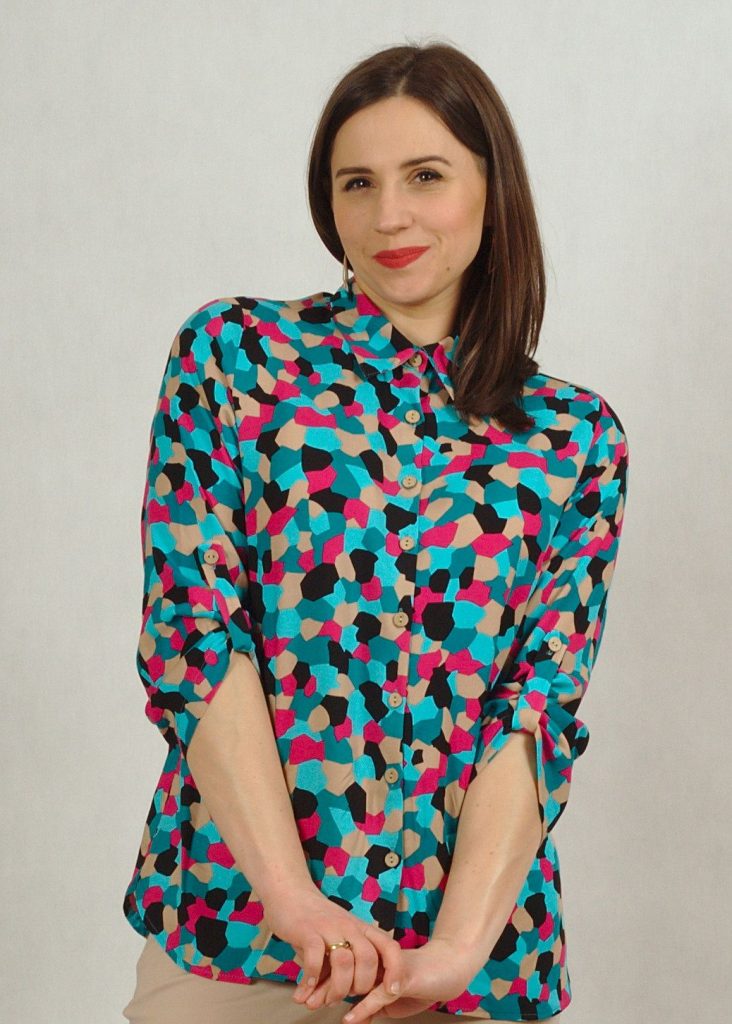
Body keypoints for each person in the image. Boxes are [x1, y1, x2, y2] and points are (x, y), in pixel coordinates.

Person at [121, 41, 629, 1024]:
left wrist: (457, 951)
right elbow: (194, 636)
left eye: (425, 176)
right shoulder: (235, 359)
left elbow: (536, 711)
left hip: (463, 974)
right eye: (357, 182)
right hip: (237, 942)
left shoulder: (574, 440)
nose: (388, 215)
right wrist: (295, 902)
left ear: (492, 192)